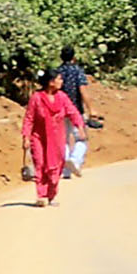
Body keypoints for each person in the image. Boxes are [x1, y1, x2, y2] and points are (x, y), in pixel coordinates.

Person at [20, 67, 85, 206]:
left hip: (57, 139)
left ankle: (52, 194)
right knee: (40, 164)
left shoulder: (62, 97)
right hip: (39, 137)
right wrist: (26, 137)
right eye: (59, 79)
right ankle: (41, 195)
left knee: (55, 166)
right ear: (51, 82)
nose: (61, 81)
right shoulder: (36, 98)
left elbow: (73, 112)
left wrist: (79, 126)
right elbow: (29, 118)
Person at [54, 50, 93, 180]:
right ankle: (75, 160)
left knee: (63, 139)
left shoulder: (57, 72)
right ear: (74, 58)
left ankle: (65, 170)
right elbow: (83, 90)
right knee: (81, 139)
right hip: (75, 110)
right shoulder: (78, 71)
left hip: (59, 110)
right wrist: (91, 109)